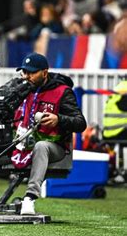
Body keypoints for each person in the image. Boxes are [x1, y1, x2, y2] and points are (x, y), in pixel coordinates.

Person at [13, 53, 87, 215]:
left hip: (54, 146)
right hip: (22, 142)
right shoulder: (21, 89)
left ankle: (30, 197)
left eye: (32, 72)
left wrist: (58, 119)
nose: (27, 76)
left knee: (41, 146)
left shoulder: (62, 91)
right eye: (24, 72)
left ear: (45, 73)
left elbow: (80, 123)